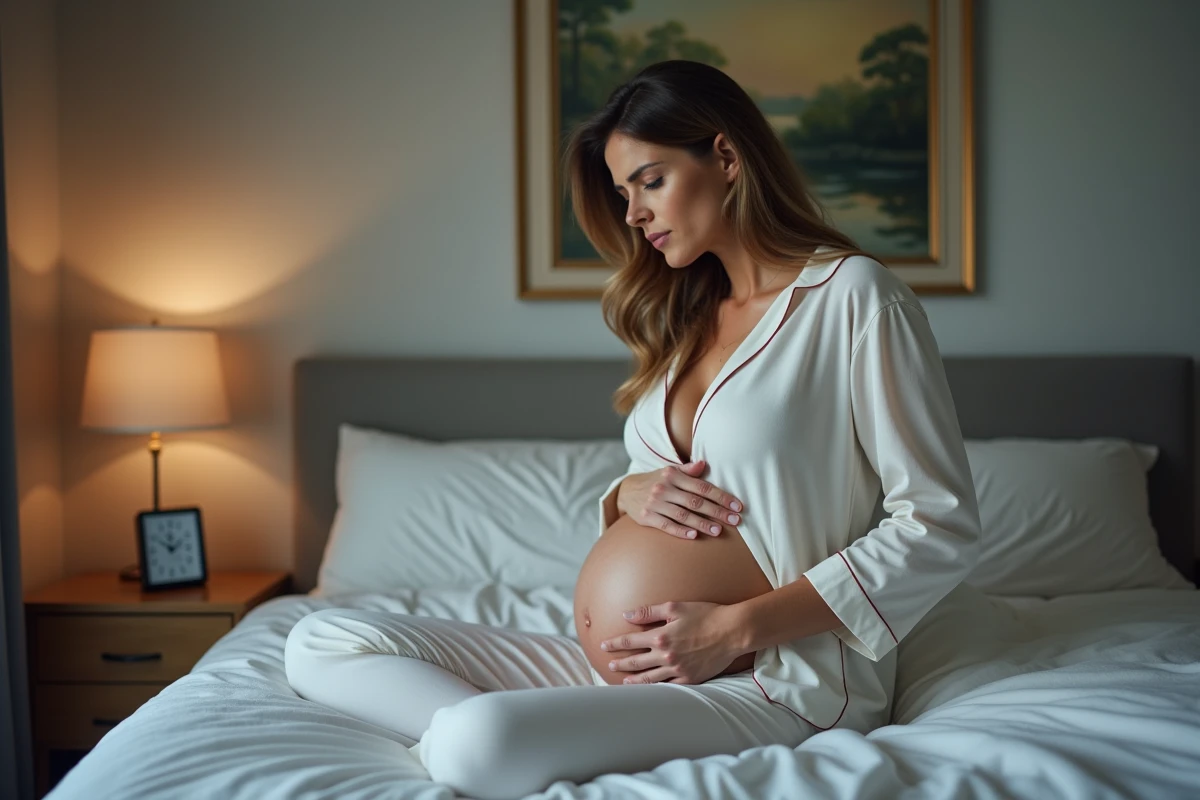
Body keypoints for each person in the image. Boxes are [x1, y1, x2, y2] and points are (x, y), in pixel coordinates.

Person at [284, 60, 981, 800]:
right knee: (320, 640)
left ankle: (519, 733)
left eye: (649, 181)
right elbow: (674, 486)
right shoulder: (686, 318)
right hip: (627, 664)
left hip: (765, 680)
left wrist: (734, 630)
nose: (633, 215)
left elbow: (939, 523)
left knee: (472, 740)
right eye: (623, 194)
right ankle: (556, 726)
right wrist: (628, 494)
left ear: (726, 156)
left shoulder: (852, 298)